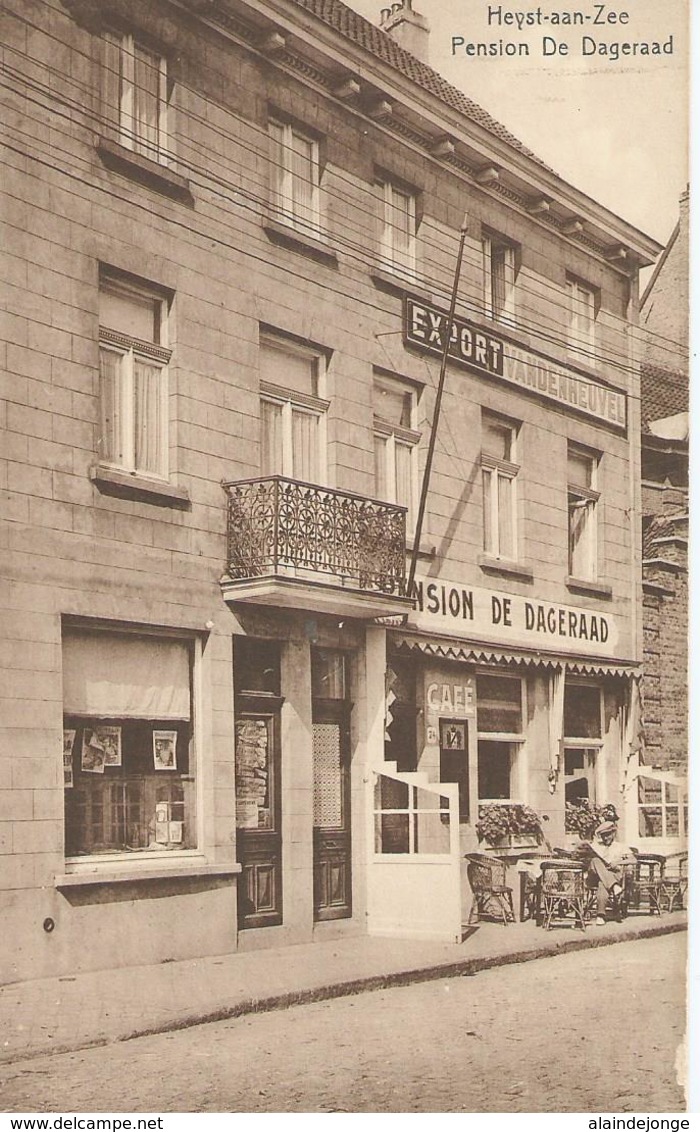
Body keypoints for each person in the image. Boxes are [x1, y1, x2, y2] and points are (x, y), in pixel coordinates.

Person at [584, 820, 635, 925]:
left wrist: (618, 861)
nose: (605, 838)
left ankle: (600, 915)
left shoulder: (620, 846)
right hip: (594, 875)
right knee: (595, 860)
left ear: (613, 834)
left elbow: (634, 860)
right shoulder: (596, 845)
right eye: (603, 836)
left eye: (607, 835)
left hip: (612, 874)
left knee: (602, 884)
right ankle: (614, 886)